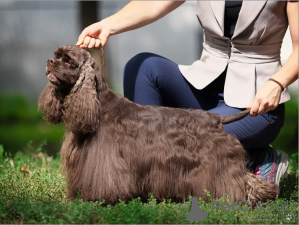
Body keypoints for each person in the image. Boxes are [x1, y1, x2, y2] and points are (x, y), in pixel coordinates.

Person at [76, 1, 298, 185]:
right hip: (202, 88)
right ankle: (146, 167)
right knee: (143, 66)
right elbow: (154, 3)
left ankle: (258, 159)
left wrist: (277, 83)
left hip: (253, 105)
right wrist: (107, 25)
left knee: (190, 140)